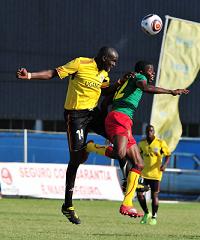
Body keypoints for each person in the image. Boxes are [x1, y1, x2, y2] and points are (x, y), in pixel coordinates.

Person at [16, 46, 128, 225]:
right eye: (113, 61)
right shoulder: (80, 63)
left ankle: (127, 180)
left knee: (120, 137)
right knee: (76, 160)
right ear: (104, 58)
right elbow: (53, 73)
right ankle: (67, 205)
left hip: (94, 114)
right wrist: (29, 75)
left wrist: (121, 82)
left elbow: (106, 90)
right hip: (75, 116)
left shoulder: (104, 74)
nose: (114, 64)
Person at [86, 60, 189, 218]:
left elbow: (106, 102)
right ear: (142, 70)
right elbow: (145, 88)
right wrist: (171, 91)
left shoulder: (127, 81)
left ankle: (127, 204)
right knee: (120, 154)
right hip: (121, 117)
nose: (152, 73)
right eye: (150, 70)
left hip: (121, 118)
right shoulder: (139, 77)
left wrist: (108, 114)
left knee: (139, 163)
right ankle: (92, 147)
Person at [137, 124, 171, 225]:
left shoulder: (160, 143)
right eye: (148, 131)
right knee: (139, 194)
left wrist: (164, 165)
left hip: (156, 175)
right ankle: (146, 213)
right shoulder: (142, 143)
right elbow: (137, 155)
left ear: (154, 132)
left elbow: (168, 154)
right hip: (144, 174)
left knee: (154, 196)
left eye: (151, 131)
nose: (149, 133)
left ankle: (154, 217)